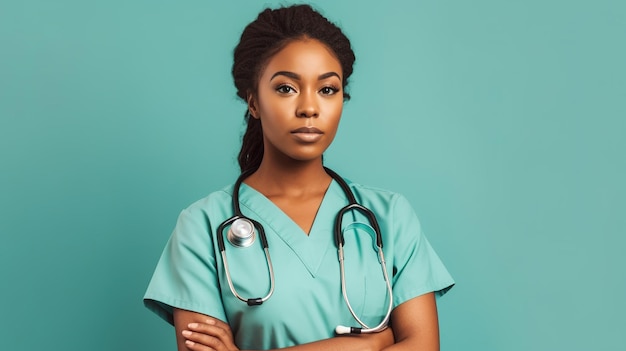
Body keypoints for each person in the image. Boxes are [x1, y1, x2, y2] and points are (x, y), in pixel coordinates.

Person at [144, 4, 454, 351]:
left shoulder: (390, 216)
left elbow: (424, 346)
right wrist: (368, 345)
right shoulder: (202, 226)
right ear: (253, 101)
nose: (309, 107)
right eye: (286, 88)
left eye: (327, 90)